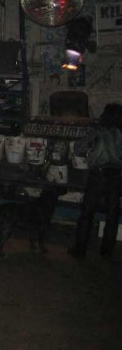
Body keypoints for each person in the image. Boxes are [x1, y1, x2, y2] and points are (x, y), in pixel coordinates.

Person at [68, 103, 122, 260]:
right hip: (116, 177)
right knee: (112, 215)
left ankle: (80, 249)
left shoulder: (97, 132)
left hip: (98, 176)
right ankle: (107, 251)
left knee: (87, 213)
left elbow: (78, 148)